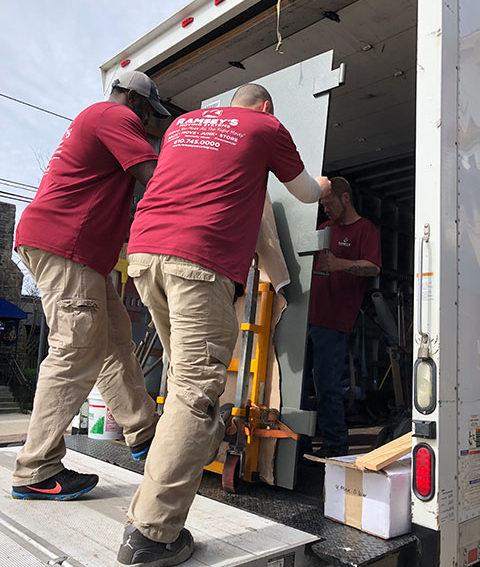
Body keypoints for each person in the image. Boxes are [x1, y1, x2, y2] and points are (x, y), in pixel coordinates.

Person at [115, 83, 330, 566]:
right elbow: (305, 192)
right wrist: (328, 187)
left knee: (182, 383)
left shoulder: (182, 125)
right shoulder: (267, 126)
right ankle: (151, 535)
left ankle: (202, 442)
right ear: (267, 106)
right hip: (200, 260)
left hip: (146, 255)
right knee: (196, 391)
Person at [11, 71, 170, 501]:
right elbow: (153, 177)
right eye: (148, 114)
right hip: (66, 247)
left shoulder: (98, 119)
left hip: (80, 254)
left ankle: (143, 433)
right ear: (136, 102)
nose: (147, 123)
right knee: (75, 349)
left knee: (115, 342)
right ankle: (36, 470)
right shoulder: (113, 117)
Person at [307, 176, 381, 457]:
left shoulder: (365, 230)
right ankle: (299, 445)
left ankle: (336, 447)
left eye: (328, 204)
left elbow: (373, 267)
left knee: (327, 386)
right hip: (306, 318)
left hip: (334, 321)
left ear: (345, 198)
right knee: (299, 388)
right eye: (323, 205)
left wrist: (340, 264)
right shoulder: (324, 228)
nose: (325, 210)